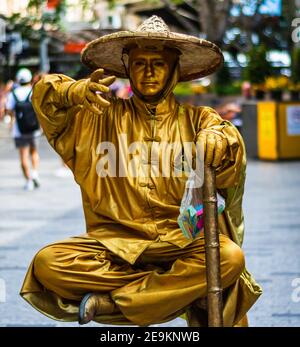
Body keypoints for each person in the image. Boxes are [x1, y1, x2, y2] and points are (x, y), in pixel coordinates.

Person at [20, 16, 262, 326]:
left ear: (174, 69)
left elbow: (228, 143)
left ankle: (113, 303)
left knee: (228, 258)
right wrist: (73, 92)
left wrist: (218, 140)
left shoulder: (198, 120)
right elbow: (46, 97)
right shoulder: (97, 117)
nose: (148, 72)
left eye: (158, 63)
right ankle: (177, 292)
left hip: (183, 241)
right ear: (128, 67)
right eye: (139, 63)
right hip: (114, 246)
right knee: (47, 264)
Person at [6, 68, 41, 191]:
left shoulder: (12, 94)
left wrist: (11, 121)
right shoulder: (33, 92)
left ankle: (29, 181)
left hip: (19, 130)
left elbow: (9, 111)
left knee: (23, 156)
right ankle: (35, 173)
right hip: (34, 129)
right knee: (34, 152)